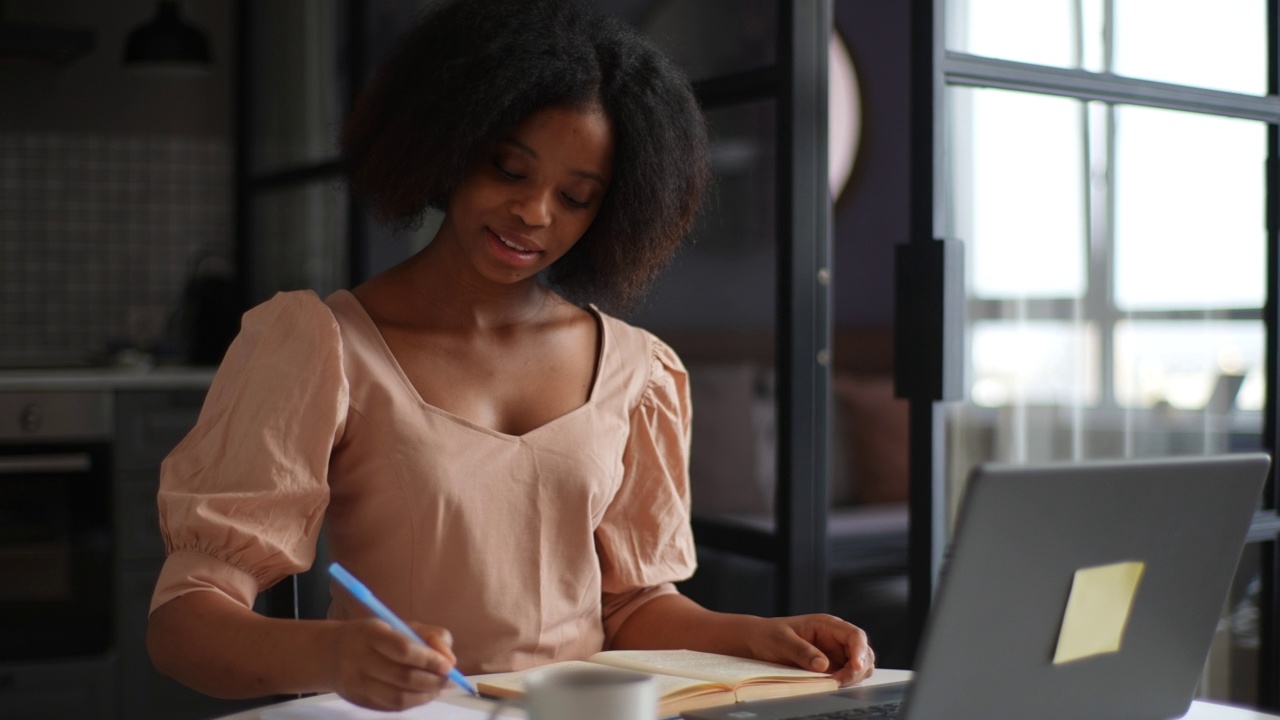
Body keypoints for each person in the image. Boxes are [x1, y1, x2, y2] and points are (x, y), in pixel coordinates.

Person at [145, 0, 875, 712]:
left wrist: (757, 636)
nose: (535, 214)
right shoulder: (318, 346)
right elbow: (183, 625)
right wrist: (334, 654)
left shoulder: (635, 369)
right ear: (450, 143)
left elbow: (632, 606)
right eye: (509, 168)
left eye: (578, 196)